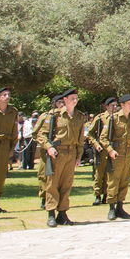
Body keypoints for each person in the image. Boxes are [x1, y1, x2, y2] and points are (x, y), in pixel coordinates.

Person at [36, 87, 88, 227]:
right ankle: (51, 213)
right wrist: (49, 147)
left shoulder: (79, 116)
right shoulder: (54, 115)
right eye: (72, 98)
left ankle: (62, 213)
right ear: (65, 100)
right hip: (57, 152)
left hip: (71, 153)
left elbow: (80, 139)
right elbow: (41, 134)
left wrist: (79, 156)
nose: (75, 101)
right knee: (52, 184)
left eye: (76, 98)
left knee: (66, 184)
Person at [99, 95, 130, 220]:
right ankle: (111, 208)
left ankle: (120, 207)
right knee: (113, 181)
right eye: (128, 103)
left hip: (127, 155)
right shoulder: (113, 118)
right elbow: (103, 138)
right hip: (116, 155)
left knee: (124, 181)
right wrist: (110, 150)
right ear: (122, 105)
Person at [87, 96, 118, 206]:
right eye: (112, 105)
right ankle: (97, 195)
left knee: (110, 173)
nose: (115, 107)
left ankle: (107, 194)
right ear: (107, 106)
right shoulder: (100, 118)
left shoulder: (118, 118)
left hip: (113, 149)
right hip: (101, 150)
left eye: (116, 105)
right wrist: (96, 144)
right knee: (99, 174)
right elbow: (90, 133)